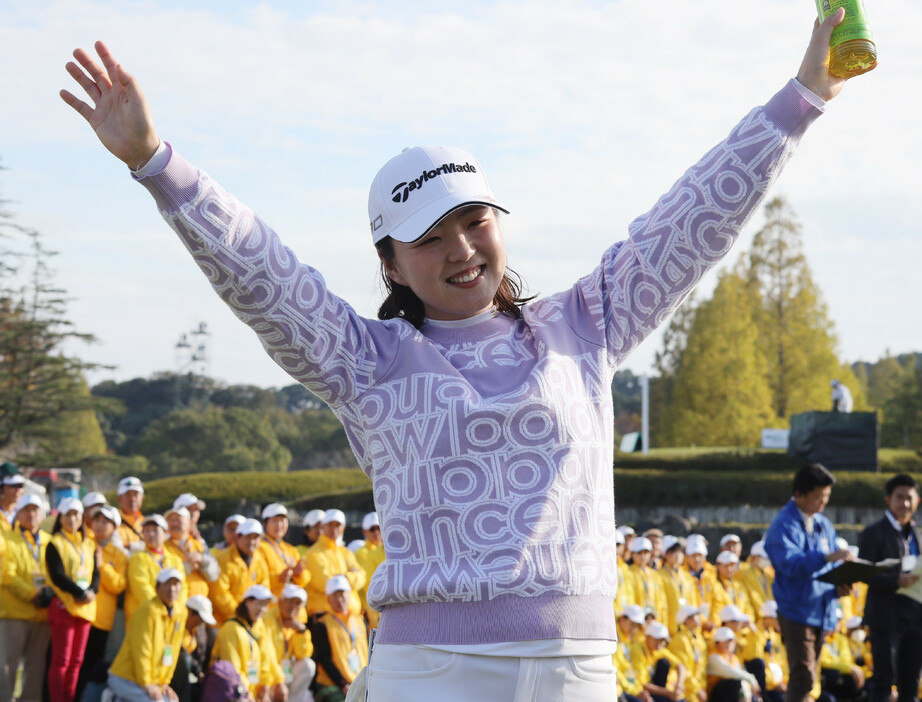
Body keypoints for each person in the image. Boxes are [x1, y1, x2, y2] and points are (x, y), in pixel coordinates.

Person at [61, 12, 855, 698]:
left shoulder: (587, 320)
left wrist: (802, 99)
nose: (462, 250)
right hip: (432, 670)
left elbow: (690, 219)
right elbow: (263, 273)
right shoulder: (364, 359)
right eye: (430, 237)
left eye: (474, 221)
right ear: (391, 265)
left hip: (577, 666)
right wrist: (158, 164)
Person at [764, 463, 854, 702]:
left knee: (811, 675)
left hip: (821, 608)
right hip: (796, 610)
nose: (823, 502)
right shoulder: (783, 525)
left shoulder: (824, 524)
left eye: (826, 496)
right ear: (799, 494)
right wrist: (826, 557)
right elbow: (790, 564)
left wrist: (841, 585)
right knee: (803, 675)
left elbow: (832, 568)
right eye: (818, 497)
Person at [856, 472, 922, 702]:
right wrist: (896, 580)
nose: (905, 503)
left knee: (911, 682)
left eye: (909, 498)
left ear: (917, 501)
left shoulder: (918, 535)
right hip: (885, 617)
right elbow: (864, 573)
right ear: (888, 499)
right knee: (884, 681)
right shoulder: (874, 533)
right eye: (899, 497)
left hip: (914, 616)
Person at [45, 496, 100, 702]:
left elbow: (96, 573)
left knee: (76, 661)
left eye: (76, 514)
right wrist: (80, 593)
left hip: (85, 608)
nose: (72, 519)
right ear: (60, 518)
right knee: (62, 661)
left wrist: (91, 591)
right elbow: (57, 575)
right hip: (65, 606)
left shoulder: (89, 543)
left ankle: (69, 698)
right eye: (68, 514)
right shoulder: (55, 543)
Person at [0, 494, 53, 702]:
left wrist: (48, 592)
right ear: (18, 514)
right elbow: (7, 575)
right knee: (7, 666)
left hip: (42, 616)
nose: (31, 514)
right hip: (14, 614)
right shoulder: (6, 541)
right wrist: (33, 594)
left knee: (36, 668)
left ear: (42, 514)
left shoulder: (49, 542)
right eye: (26, 510)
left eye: (35, 510)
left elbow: (57, 572)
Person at [108, 568, 187, 702]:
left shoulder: (180, 612)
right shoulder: (148, 610)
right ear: (157, 588)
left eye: (176, 584)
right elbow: (141, 650)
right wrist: (146, 684)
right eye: (168, 584)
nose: (172, 589)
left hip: (153, 681)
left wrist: (164, 683)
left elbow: (173, 649)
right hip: (127, 678)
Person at [76, 503, 129, 701]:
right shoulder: (84, 544)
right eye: (96, 520)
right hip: (80, 612)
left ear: (114, 526)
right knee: (76, 663)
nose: (99, 525)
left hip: (102, 620)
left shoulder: (119, 554)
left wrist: (102, 567)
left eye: (105, 521)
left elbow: (119, 585)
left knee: (94, 666)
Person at [210, 584, 286, 702]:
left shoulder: (259, 628)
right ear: (247, 602)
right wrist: (247, 693)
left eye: (265, 604)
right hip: (231, 690)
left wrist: (265, 685)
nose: (262, 609)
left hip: (250, 689)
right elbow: (232, 670)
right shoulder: (231, 628)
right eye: (259, 603)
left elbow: (268, 658)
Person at [311, 576, 368, 702]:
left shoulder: (361, 620)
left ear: (349, 595)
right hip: (333, 684)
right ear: (328, 600)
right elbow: (324, 659)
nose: (339, 599)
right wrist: (342, 684)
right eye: (334, 595)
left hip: (361, 682)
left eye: (342, 594)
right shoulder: (322, 624)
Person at [304, 510, 364, 620]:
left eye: (337, 525)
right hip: (324, 616)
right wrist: (349, 576)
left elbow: (362, 577)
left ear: (343, 528)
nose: (334, 529)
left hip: (350, 615)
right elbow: (323, 582)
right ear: (323, 526)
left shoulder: (346, 552)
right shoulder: (313, 552)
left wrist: (341, 577)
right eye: (330, 525)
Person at [126, 514, 186, 622]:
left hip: (171, 617)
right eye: (147, 530)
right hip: (144, 615)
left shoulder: (175, 560)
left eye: (155, 530)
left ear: (165, 533)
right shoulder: (138, 558)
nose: (151, 534)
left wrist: (175, 608)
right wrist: (161, 608)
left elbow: (183, 587)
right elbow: (140, 587)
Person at [211, 518, 271, 625]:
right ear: (238, 537)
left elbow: (264, 588)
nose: (252, 541)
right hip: (222, 621)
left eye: (256, 538)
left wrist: (253, 612)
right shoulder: (223, 559)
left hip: (249, 619)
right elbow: (220, 593)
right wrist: (239, 614)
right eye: (248, 537)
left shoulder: (259, 560)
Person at [264, 584, 315, 702]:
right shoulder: (269, 619)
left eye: (297, 603)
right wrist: (279, 680)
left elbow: (302, 655)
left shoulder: (296, 622)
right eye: (290, 601)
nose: (293, 606)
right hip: (270, 674)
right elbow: (268, 657)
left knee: (308, 665)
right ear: (281, 601)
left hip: (284, 671)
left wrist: (301, 631)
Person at [258, 503, 310, 601]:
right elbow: (257, 577)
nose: (279, 525)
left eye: (282, 520)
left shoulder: (291, 549)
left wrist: (298, 574)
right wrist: (279, 578)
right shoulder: (259, 547)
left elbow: (305, 580)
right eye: (274, 521)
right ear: (265, 523)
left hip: (290, 603)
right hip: (271, 605)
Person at [353, 511, 385, 629]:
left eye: (379, 528)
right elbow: (368, 583)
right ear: (364, 532)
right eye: (372, 529)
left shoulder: (389, 550)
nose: (376, 532)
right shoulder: (360, 554)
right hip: (368, 611)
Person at [117, 476, 146, 551]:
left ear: (142, 498)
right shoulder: (113, 523)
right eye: (128, 495)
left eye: (136, 495)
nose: (132, 499)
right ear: (119, 498)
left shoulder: (147, 523)